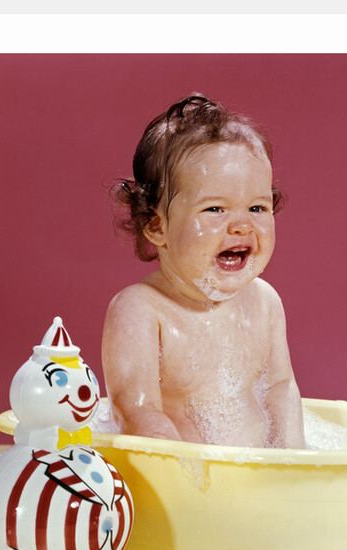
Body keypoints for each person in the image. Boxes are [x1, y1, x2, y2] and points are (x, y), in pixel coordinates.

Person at [102, 94, 305, 449]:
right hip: (187, 486)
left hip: (260, 479)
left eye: (257, 207)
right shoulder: (140, 310)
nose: (242, 226)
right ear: (156, 226)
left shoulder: (264, 302)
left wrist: (294, 460)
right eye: (215, 209)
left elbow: (280, 389)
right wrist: (183, 472)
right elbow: (135, 410)